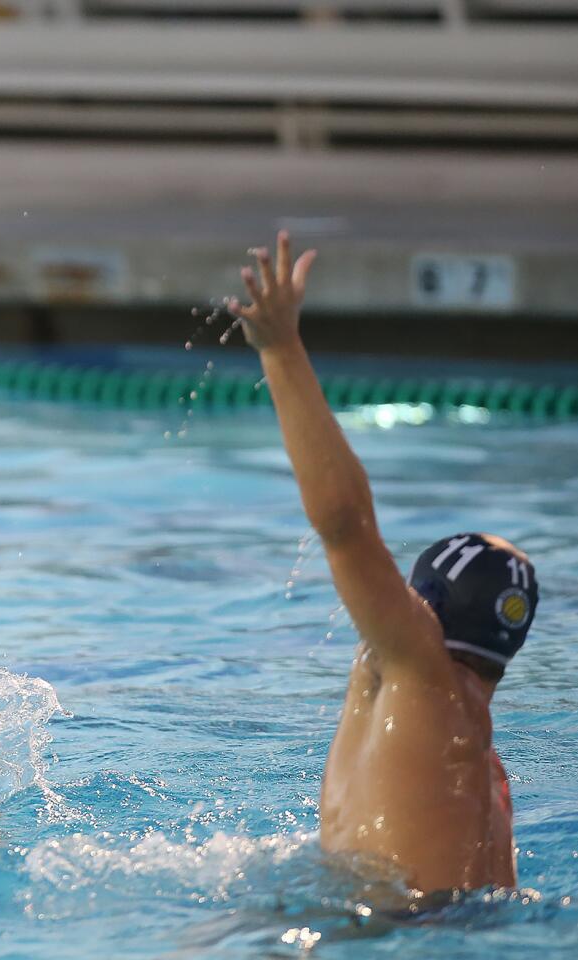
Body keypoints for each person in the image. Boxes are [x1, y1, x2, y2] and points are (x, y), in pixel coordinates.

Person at [232, 233, 540, 893]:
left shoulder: (414, 665)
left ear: (420, 606)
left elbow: (344, 527)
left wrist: (281, 350)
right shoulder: (484, 765)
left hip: (381, 932)